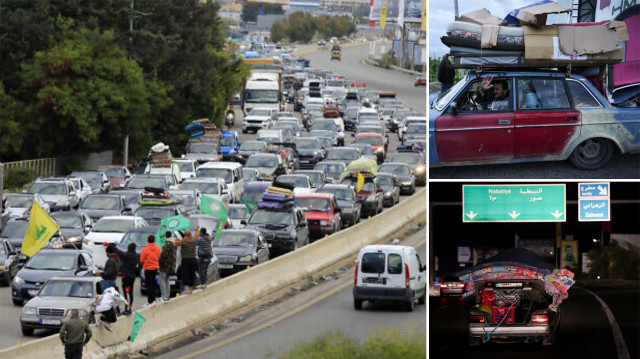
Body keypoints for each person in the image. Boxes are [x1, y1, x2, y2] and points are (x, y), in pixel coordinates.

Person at [139, 235, 161, 308]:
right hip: (155, 268)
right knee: (153, 283)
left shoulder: (145, 249)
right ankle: (153, 299)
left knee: (149, 285)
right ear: (154, 240)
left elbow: (142, 259)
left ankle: (149, 301)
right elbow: (159, 257)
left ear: (148, 241)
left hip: (148, 268)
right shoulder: (157, 248)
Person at [176, 229, 198, 294]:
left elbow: (177, 243)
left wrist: (176, 240)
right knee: (192, 273)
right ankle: (191, 288)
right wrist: (197, 229)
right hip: (193, 259)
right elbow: (197, 236)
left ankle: (187, 289)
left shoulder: (183, 241)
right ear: (190, 234)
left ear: (185, 235)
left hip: (185, 260)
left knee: (185, 274)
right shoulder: (194, 240)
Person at [158, 231, 177, 302]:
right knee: (167, 280)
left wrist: (159, 261)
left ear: (166, 236)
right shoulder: (174, 244)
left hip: (165, 265)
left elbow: (163, 255)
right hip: (171, 265)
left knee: (162, 279)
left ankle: (164, 296)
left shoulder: (167, 244)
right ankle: (167, 296)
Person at [120, 242, 138, 315]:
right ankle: (128, 308)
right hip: (132, 276)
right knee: (130, 292)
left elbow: (122, 263)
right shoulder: (135, 255)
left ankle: (127, 309)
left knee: (126, 293)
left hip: (126, 276)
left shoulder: (126, 255)